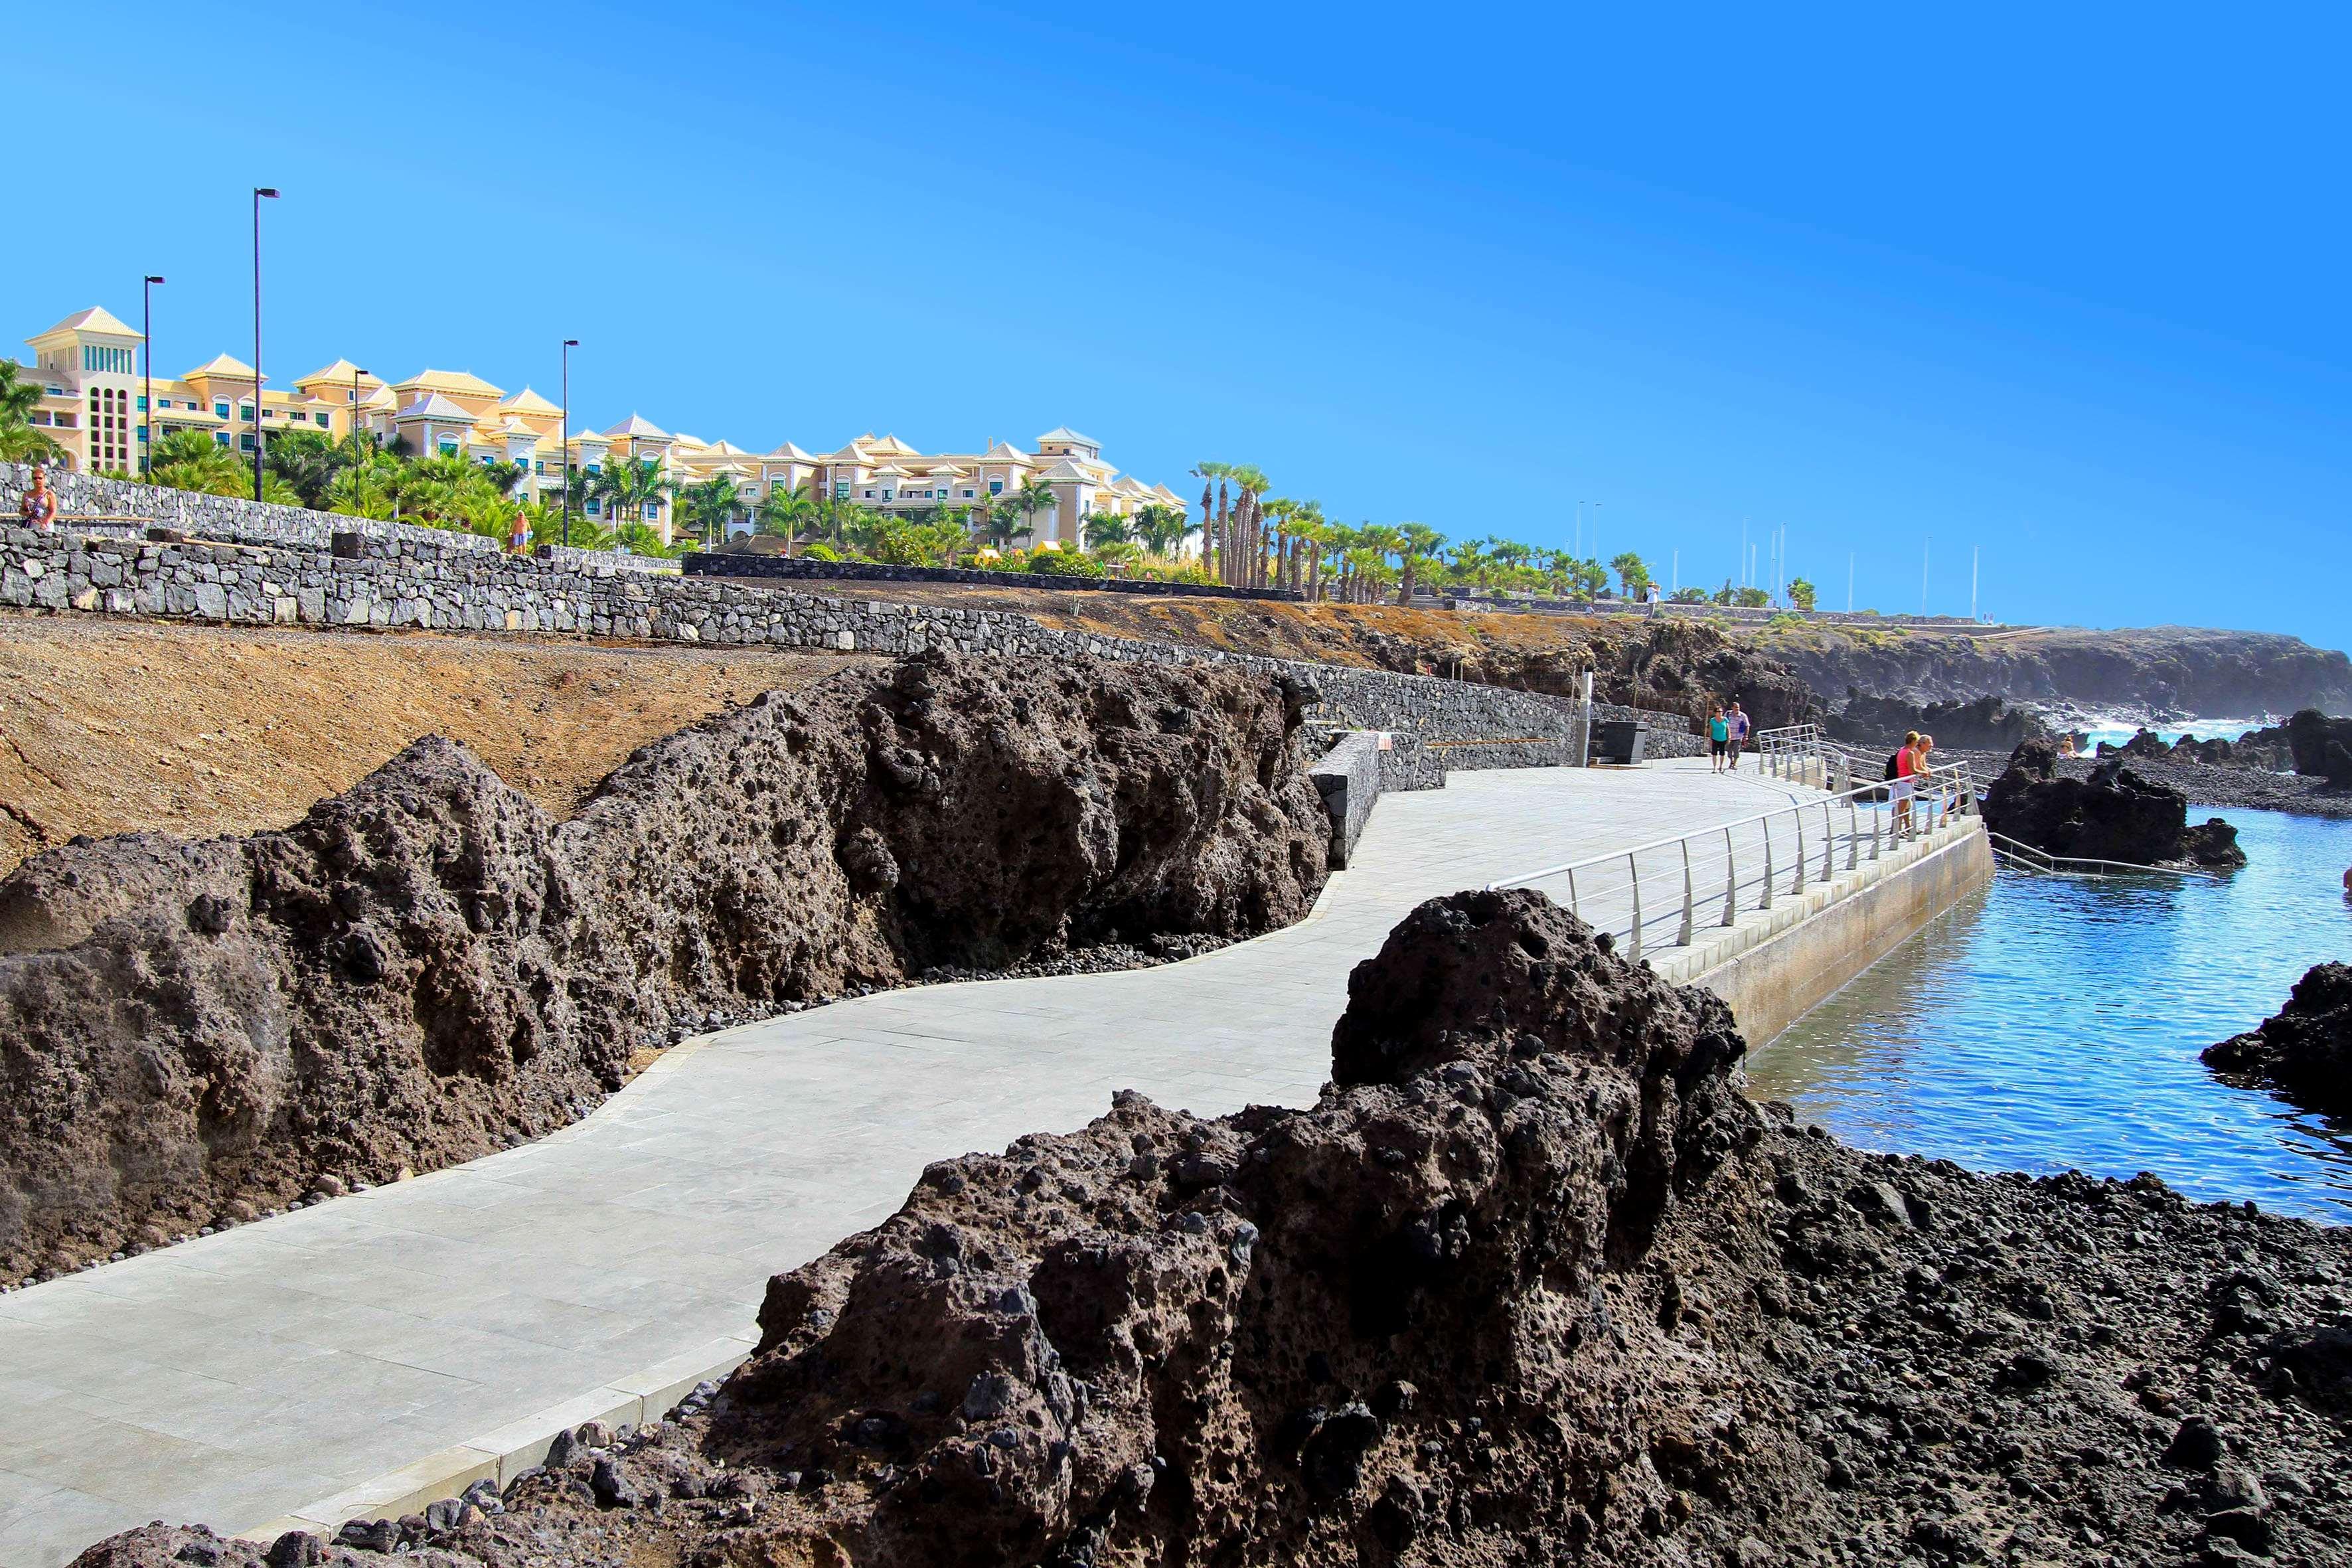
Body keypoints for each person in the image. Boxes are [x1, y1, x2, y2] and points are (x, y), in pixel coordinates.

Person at [1889, 728, 1920, 837]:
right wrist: (1924, 772)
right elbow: (1913, 770)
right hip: (1906, 781)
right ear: (1913, 741)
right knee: (1902, 807)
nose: (1917, 744)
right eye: (1917, 742)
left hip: (1899, 780)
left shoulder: (1902, 750)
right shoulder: (1909, 753)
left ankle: (1900, 828)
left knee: (1904, 806)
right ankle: (1897, 830)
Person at [18, 465, 58, 534]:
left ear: (44, 479)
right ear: (32, 480)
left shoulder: (49, 494)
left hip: (46, 526)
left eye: (40, 478)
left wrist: (46, 523)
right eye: (35, 478)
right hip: (32, 525)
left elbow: (53, 511)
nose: (37, 480)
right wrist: (28, 513)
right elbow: (21, 511)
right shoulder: (27, 495)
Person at [1727, 702, 1750, 770]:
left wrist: (1746, 736)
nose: (1737, 709)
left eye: (1738, 707)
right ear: (1732, 708)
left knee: (1736, 750)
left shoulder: (1743, 715)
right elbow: (1724, 723)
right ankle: (1731, 761)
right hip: (1729, 736)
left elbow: (1747, 726)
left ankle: (1735, 764)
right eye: (1735, 707)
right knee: (1729, 750)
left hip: (1738, 736)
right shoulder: (1728, 714)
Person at [1708, 706, 1730, 772]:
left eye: (1721, 711)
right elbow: (1711, 730)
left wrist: (1729, 738)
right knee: (1714, 754)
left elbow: (1728, 729)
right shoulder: (1712, 720)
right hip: (1715, 738)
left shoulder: (1725, 719)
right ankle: (1715, 768)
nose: (1720, 713)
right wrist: (1711, 739)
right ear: (1715, 713)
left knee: (1722, 754)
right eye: (1718, 712)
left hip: (1723, 739)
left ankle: (1721, 766)